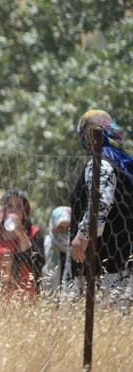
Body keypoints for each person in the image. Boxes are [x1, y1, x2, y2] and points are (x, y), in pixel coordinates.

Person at [69, 109, 133, 302]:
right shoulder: (120, 159)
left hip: (104, 266)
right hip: (121, 258)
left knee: (105, 322)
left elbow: (100, 202)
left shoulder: (101, 161)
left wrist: (82, 235)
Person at [0, 189, 44, 301]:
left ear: (25, 212)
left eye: (19, 207)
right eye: (10, 206)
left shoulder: (34, 233)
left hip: (25, 301)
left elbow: (37, 266)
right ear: (3, 211)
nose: (14, 211)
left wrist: (20, 233)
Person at [42, 206, 71, 295]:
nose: (64, 231)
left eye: (68, 227)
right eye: (60, 227)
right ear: (54, 226)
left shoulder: (76, 246)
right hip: (51, 295)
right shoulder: (47, 244)